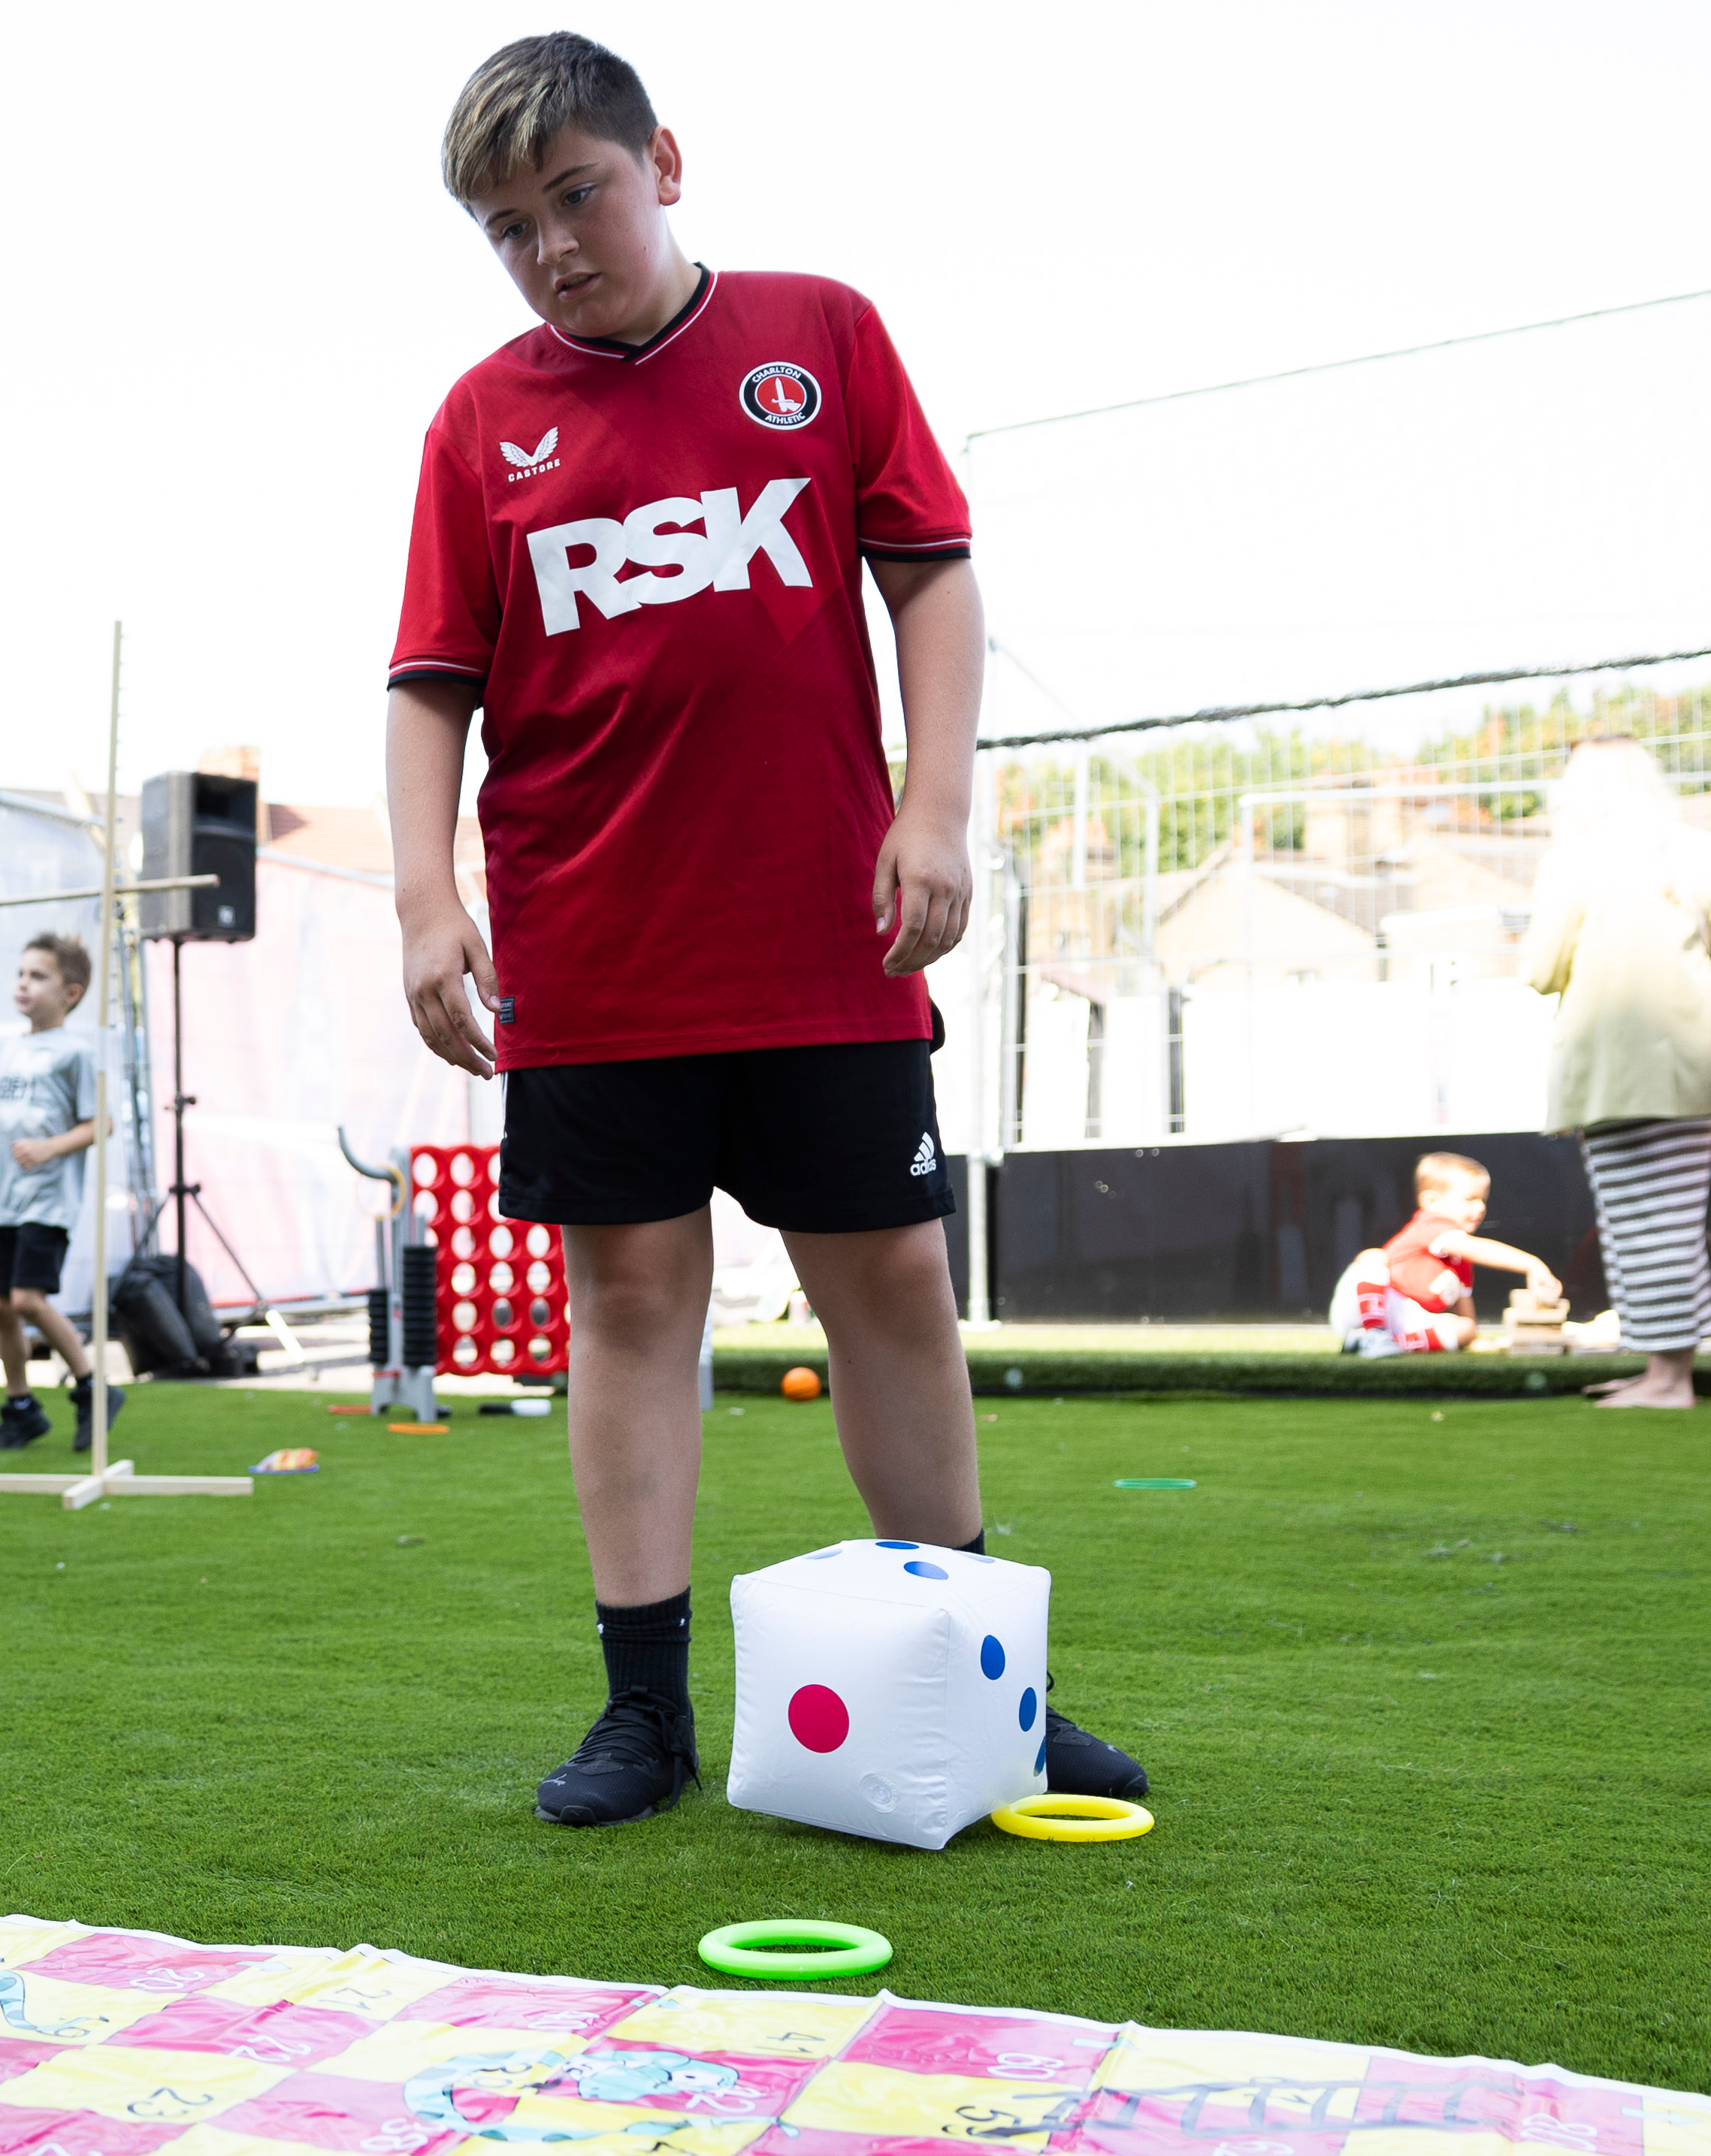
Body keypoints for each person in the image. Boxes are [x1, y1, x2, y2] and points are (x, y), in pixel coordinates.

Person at [383, 32, 1145, 1828]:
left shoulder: (820, 334)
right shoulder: (479, 423)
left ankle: (995, 1699)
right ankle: (640, 1715)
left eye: (573, 195)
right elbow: (429, 686)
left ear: (662, 161)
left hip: (822, 933)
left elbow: (930, 575)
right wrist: (429, 903)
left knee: (885, 1285)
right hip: (587, 947)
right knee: (630, 1300)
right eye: (507, 227)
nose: (551, 247)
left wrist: (933, 805)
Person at [1519, 736, 1711, 1409]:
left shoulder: (1573, 862)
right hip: (1688, 1063)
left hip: (1608, 1069)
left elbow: (1539, 971)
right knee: (1670, 1219)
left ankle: (1669, 1380)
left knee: (1635, 1223)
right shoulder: (1707, 852)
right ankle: (1662, 1368)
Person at [0, 931, 125, 1451]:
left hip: (47, 1200)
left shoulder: (74, 1054)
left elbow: (100, 1123)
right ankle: (20, 1405)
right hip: (7, 1201)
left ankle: (91, 1386)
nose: (23, 984)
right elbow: (6, 1124)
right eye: (21, 974)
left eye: (38, 976)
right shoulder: (15, 1049)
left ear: (70, 993)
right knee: (0, 1304)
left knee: (28, 1299)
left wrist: (51, 1148)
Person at [1376, 1151, 1561, 1353]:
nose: (1481, 1207)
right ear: (1432, 1202)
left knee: (1463, 1328)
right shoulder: (1432, 1225)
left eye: (1483, 1200)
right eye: (1470, 1198)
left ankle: (1393, 1344)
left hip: (1403, 1319)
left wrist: (1470, 1336)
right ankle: (1372, 1333)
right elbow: (1477, 1248)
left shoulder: (1460, 1257)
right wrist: (1531, 1264)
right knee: (1371, 1259)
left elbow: (1463, 1301)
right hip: (1375, 1304)